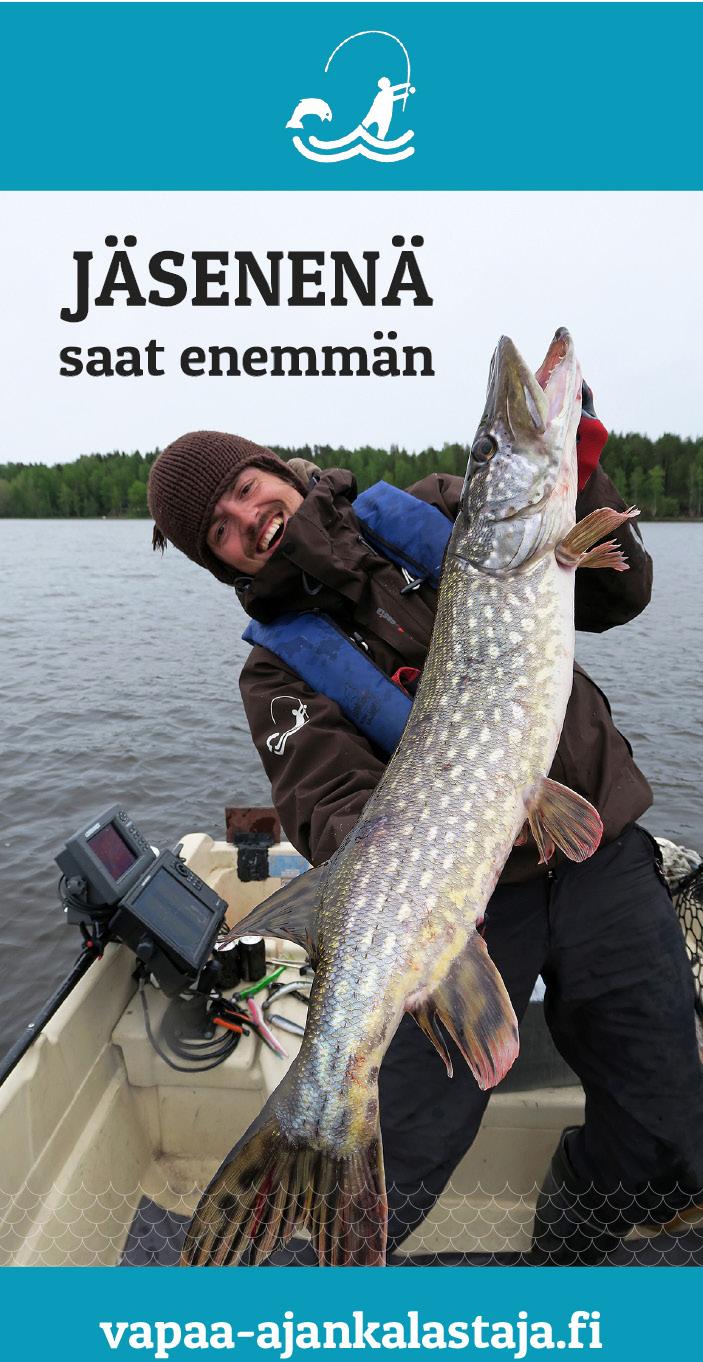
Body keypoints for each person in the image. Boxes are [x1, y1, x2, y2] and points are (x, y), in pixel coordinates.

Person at [147, 409, 703, 1265]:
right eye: (217, 530)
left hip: (598, 851)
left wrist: (580, 481)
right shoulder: (276, 667)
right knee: (403, 1143)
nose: (246, 517)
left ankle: (574, 1234)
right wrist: (418, 880)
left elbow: (616, 596)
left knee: (666, 1116)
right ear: (215, 560)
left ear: (279, 470)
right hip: (452, 900)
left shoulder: (441, 512)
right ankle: (306, 1292)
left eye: (243, 487)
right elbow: (326, 798)